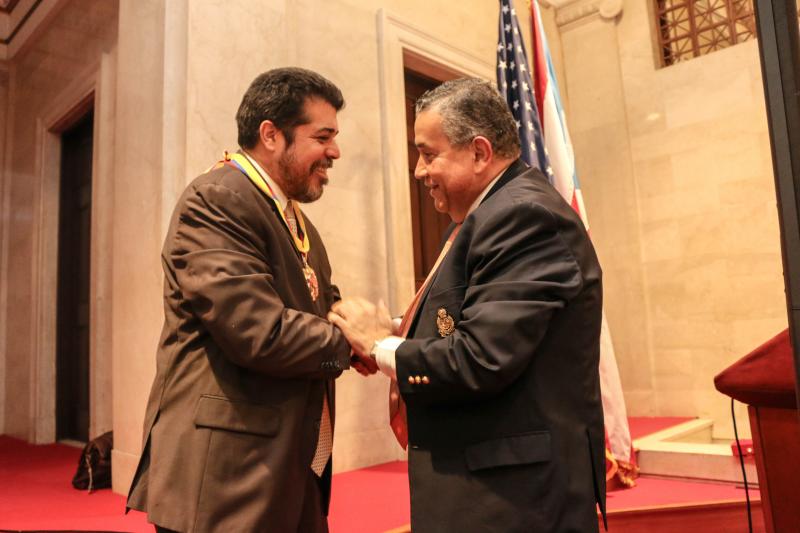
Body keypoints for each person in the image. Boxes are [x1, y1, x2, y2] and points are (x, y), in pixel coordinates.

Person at [329, 78, 607, 532]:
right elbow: (469, 316)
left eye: (428, 154)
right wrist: (398, 328)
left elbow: (481, 357)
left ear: (479, 152)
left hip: (515, 501)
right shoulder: (486, 216)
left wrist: (380, 345)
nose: (418, 171)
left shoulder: (523, 216)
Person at [126, 67, 367, 532]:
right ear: (271, 135)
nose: (335, 151)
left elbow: (324, 307)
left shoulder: (295, 220)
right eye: (323, 137)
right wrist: (356, 343)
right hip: (228, 479)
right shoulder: (218, 199)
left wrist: (373, 327)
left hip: (286, 465)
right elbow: (258, 331)